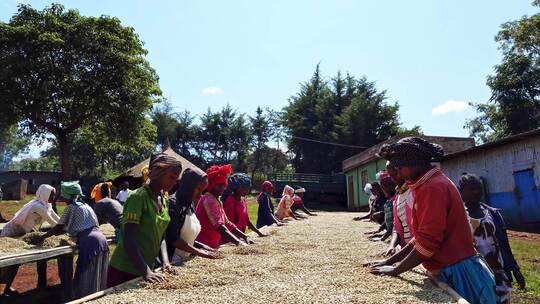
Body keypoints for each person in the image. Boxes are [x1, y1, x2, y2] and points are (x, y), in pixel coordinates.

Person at [367, 137, 497, 304]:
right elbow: (420, 238)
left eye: (399, 167)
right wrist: (389, 261)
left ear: (413, 163)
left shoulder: (432, 188)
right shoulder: (427, 184)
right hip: (451, 266)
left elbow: (429, 242)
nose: (397, 172)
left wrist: (396, 270)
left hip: (460, 272)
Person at [107, 153, 182, 287]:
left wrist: (165, 262)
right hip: (125, 270)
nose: (174, 182)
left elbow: (161, 236)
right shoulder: (138, 197)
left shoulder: (164, 199)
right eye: (171, 177)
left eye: (176, 179)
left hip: (145, 269)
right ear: (159, 172)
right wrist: (146, 271)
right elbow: (129, 238)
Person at [33, 181, 109, 299]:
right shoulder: (86, 206)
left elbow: (59, 228)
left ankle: (79, 298)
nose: (62, 197)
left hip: (89, 242)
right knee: (97, 273)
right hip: (101, 239)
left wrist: (41, 237)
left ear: (68, 196)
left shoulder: (71, 207)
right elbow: (68, 227)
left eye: (63, 195)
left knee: (84, 275)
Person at [460, 173, 525, 303]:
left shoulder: (493, 214)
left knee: (503, 300)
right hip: (475, 273)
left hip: (498, 271)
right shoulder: (459, 216)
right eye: (471, 189)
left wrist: (515, 270)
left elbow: (504, 245)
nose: (476, 192)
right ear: (461, 191)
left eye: (479, 188)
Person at [0, 184, 60, 297]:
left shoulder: (47, 206)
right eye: (52, 195)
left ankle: (6, 289)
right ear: (45, 195)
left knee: (15, 263)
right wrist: (66, 228)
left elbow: (58, 220)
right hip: (10, 233)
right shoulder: (38, 207)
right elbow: (54, 224)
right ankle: (5, 289)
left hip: (20, 234)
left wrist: (66, 225)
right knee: (6, 264)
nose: (54, 197)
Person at [165, 168, 218, 264]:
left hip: (184, 260)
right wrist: (198, 252)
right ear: (188, 185)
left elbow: (186, 238)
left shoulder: (190, 204)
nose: (200, 194)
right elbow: (172, 238)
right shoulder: (173, 204)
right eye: (198, 189)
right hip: (170, 261)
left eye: (203, 190)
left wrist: (201, 246)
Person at [195, 165, 252, 249]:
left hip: (213, 245)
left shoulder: (216, 199)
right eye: (219, 185)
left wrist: (244, 236)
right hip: (205, 245)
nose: (223, 187)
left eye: (224, 184)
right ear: (212, 184)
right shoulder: (209, 200)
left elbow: (227, 222)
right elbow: (220, 226)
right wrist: (239, 243)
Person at [384, 161, 414, 257]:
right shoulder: (398, 195)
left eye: (395, 173)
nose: (393, 178)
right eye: (390, 175)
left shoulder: (414, 191)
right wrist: (391, 246)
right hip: (406, 250)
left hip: (417, 252)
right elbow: (396, 227)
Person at [368, 172, 396, 242]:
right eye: (383, 187)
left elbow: (395, 224)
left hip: (396, 235)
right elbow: (387, 220)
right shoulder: (388, 201)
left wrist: (383, 237)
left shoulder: (395, 200)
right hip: (391, 233)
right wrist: (380, 229)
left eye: (387, 186)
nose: (385, 189)